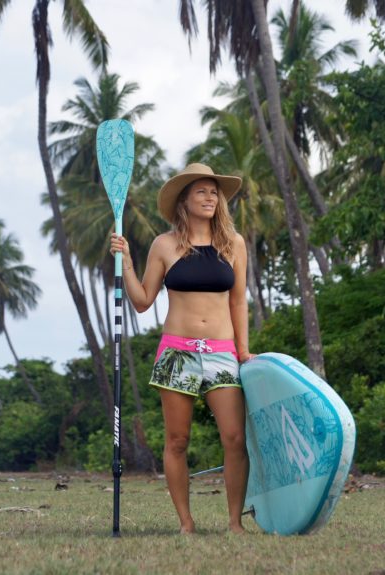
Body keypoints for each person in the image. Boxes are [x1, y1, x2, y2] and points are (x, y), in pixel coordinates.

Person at [109, 162, 254, 535]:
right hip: (178, 353)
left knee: (235, 438)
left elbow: (238, 302)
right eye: (201, 192)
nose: (209, 198)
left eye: (213, 192)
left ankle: (235, 522)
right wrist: (126, 263)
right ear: (184, 200)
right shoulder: (164, 244)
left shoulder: (233, 243)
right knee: (177, 440)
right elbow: (142, 301)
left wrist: (243, 350)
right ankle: (186, 523)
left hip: (222, 352)